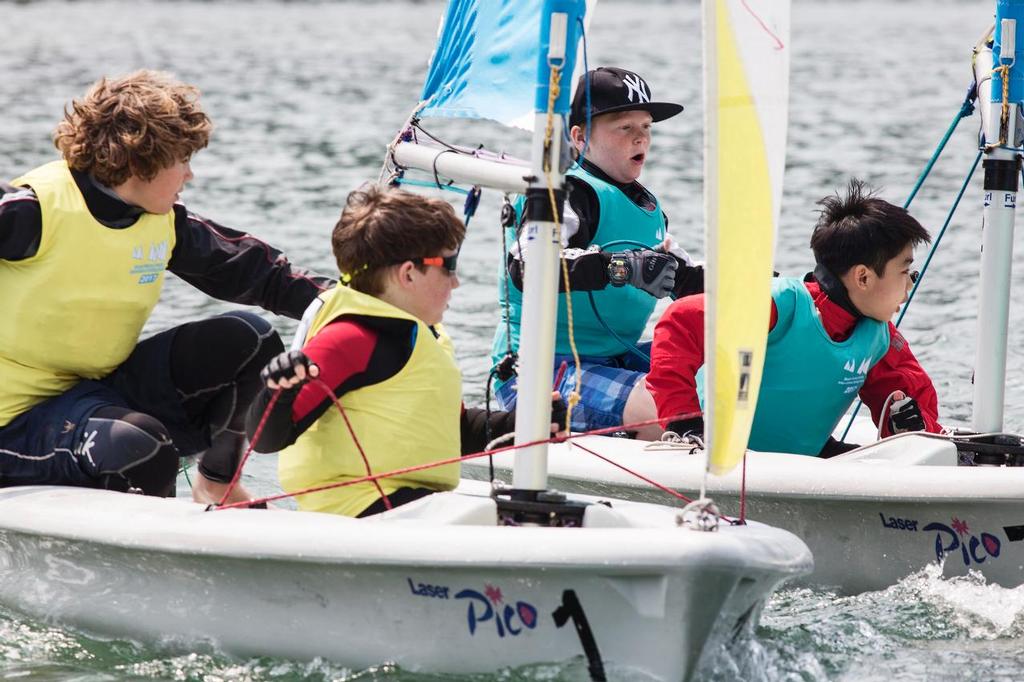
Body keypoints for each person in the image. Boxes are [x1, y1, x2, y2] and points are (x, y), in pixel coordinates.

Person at [0, 70, 331, 502]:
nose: (190, 175)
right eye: (184, 160)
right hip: (16, 422)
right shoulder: (32, 210)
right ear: (142, 160)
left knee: (251, 340)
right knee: (141, 446)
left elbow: (262, 274)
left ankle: (216, 484)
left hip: (94, 395)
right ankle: (163, 556)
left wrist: (354, 300)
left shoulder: (163, 221)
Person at [246, 185, 564, 517]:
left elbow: (451, 430)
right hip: (357, 513)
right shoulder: (350, 339)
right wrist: (276, 390)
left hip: (408, 504)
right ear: (408, 274)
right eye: (448, 266)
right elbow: (265, 439)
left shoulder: (420, 334)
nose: (455, 282)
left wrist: (524, 423)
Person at [647, 179, 942, 457]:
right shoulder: (779, 306)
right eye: (905, 272)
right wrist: (683, 423)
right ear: (863, 277)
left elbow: (912, 402)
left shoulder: (878, 337)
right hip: (724, 455)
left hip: (805, 459)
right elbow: (680, 321)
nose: (910, 284)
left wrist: (909, 427)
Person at [491, 66, 703, 439]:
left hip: (614, 360)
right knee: (672, 407)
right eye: (625, 128)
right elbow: (527, 266)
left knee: (737, 371)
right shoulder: (566, 193)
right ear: (579, 136)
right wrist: (624, 268)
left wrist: (782, 291)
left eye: (647, 127)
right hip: (540, 372)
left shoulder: (648, 209)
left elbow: (689, 280)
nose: (641, 139)